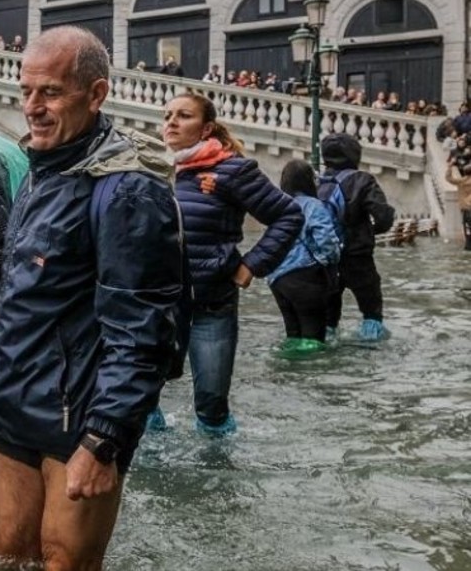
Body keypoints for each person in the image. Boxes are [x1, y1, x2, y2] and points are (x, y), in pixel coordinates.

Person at [0, 26, 184, 570]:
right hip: (12, 403)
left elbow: (143, 330)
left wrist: (105, 438)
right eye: (26, 91)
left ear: (96, 94)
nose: (33, 107)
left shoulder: (128, 191)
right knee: (8, 558)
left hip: (78, 419)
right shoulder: (38, 172)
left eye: (50, 92)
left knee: (63, 563)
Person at [162, 93, 302, 435]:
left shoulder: (233, 170)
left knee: (210, 402)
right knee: (141, 395)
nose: (171, 122)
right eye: (167, 115)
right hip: (158, 303)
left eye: (183, 115)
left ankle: (216, 473)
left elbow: (288, 215)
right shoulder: (154, 168)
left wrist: (252, 265)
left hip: (212, 302)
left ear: (207, 127)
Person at [318, 133, 396, 341]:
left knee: (328, 314)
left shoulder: (317, 182)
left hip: (326, 259)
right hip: (357, 256)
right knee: (371, 307)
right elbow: (384, 216)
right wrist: (371, 231)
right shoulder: (362, 180)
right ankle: (371, 344)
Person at [267, 160, 342, 355]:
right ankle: (308, 376)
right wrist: (328, 260)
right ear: (308, 181)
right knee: (313, 337)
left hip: (277, 280)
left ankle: (290, 370)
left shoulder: (276, 206)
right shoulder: (313, 205)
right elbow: (326, 240)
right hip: (305, 278)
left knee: (293, 334)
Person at [448, 162, 471, 251]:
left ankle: (468, 247)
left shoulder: (461, 181)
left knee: (468, 230)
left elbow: (449, 178)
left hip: (466, 209)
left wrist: (449, 168)